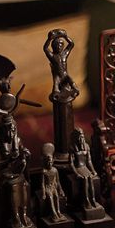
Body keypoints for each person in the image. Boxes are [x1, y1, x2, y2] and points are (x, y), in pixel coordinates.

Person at [44, 28, 80, 158]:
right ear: (54, 46)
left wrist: (65, 36)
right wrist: (49, 39)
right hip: (58, 79)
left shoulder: (65, 54)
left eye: (61, 44)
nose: (60, 46)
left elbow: (71, 44)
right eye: (57, 44)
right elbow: (45, 49)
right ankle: (57, 90)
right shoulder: (52, 56)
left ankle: (74, 88)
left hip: (65, 77)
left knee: (70, 78)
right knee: (56, 85)